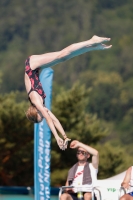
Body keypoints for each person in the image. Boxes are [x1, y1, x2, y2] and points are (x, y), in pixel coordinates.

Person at [24, 35, 112, 150]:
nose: (44, 114)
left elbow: (49, 119)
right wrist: (64, 136)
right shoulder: (42, 106)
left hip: (31, 65)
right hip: (36, 68)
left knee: (63, 54)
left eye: (41, 115)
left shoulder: (36, 101)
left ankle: (91, 41)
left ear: (36, 111)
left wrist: (56, 137)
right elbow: (54, 120)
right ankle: (93, 46)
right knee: (64, 57)